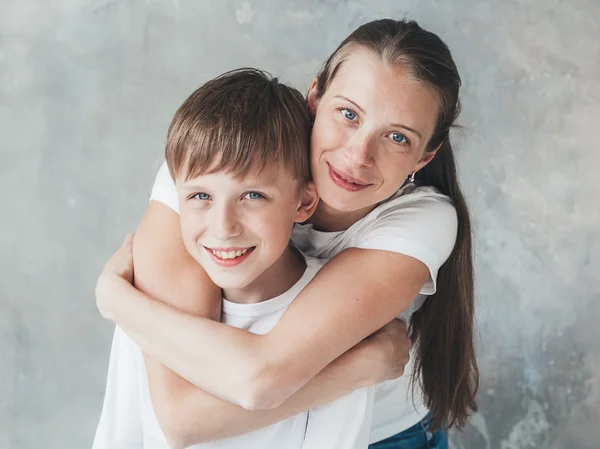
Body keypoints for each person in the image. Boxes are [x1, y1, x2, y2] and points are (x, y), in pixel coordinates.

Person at [96, 18, 479, 449]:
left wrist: (120, 302)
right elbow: (182, 414)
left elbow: (260, 379)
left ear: (425, 156)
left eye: (396, 137)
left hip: (382, 436)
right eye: (348, 114)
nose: (357, 156)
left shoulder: (423, 220)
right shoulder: (214, 164)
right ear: (315, 97)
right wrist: (356, 368)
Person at [93, 69, 384, 449]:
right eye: (200, 196)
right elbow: (123, 434)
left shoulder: (336, 331)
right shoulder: (151, 306)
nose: (224, 227)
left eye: (252, 196)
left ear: (304, 202)